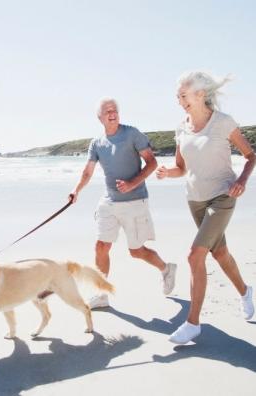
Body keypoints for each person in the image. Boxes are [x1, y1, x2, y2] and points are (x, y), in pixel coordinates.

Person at [156, 71, 255, 344]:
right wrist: (167, 173)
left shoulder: (223, 123)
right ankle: (246, 291)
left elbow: (250, 156)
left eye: (184, 95)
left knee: (194, 255)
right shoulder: (181, 127)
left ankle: (193, 323)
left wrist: (243, 181)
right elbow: (181, 168)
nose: (180, 100)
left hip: (222, 196)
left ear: (201, 94)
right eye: (178, 96)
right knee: (220, 253)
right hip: (195, 199)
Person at [70, 97, 177, 309]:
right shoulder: (97, 143)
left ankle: (166, 269)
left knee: (136, 251)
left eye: (115, 110)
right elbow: (88, 171)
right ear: (99, 117)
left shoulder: (132, 134)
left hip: (135, 200)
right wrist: (76, 191)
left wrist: (132, 183)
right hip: (109, 202)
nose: (112, 113)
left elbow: (152, 162)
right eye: (107, 111)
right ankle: (101, 294)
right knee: (101, 246)